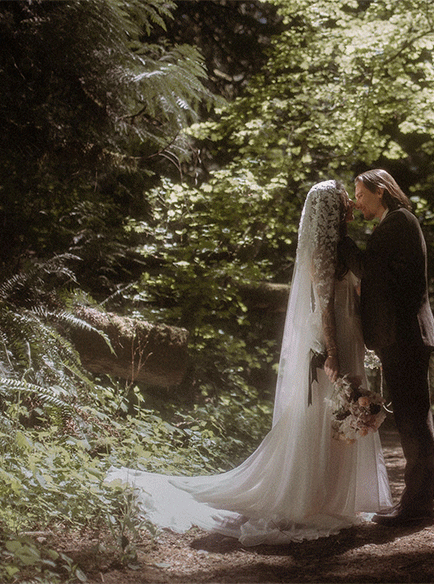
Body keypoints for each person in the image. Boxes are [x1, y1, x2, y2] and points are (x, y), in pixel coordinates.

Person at [106, 180, 392, 545]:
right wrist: (332, 350)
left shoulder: (344, 247)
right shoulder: (320, 249)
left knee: (338, 413)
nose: (351, 206)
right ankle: (310, 497)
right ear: (331, 212)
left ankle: (335, 496)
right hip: (329, 335)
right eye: (343, 202)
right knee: (323, 413)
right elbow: (322, 302)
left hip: (348, 333)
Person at [339, 169, 434, 527]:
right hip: (400, 336)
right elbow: (382, 280)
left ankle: (417, 508)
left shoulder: (399, 222)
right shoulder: (395, 224)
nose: (357, 202)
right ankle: (417, 504)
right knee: (412, 419)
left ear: (380, 191)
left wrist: (343, 240)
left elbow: (371, 271)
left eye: (360, 194)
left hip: (406, 336)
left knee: (414, 420)